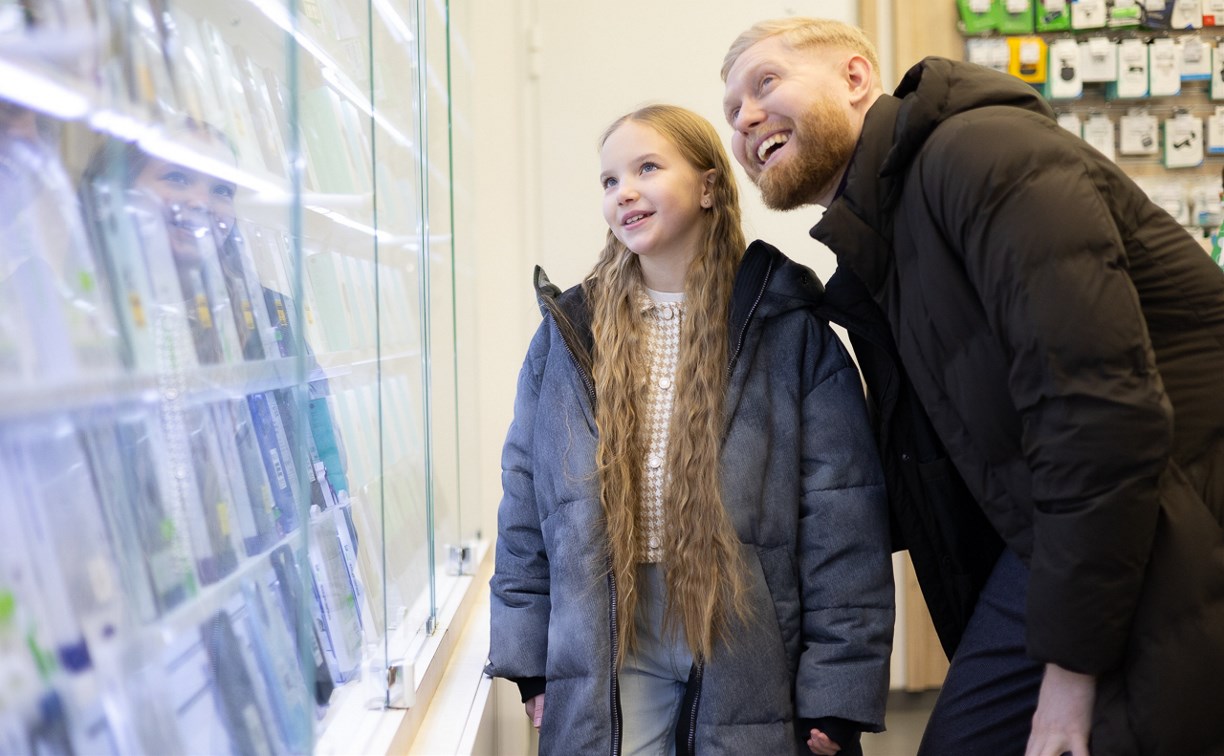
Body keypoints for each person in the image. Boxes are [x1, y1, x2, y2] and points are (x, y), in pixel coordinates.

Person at [721, 16, 1224, 756]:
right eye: (731, 110)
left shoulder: (983, 157)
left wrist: (1070, 672)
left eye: (765, 82)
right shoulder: (883, 249)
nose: (746, 117)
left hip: (1167, 519)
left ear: (856, 79)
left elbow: (1100, 414)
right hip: (1074, 535)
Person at [485, 104, 894, 755]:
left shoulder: (787, 328)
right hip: (613, 624)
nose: (625, 192)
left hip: (745, 627)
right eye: (610, 180)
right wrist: (529, 657)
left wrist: (838, 688)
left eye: (648, 167)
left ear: (708, 186)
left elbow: (842, 517)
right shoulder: (569, 334)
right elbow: (525, 502)